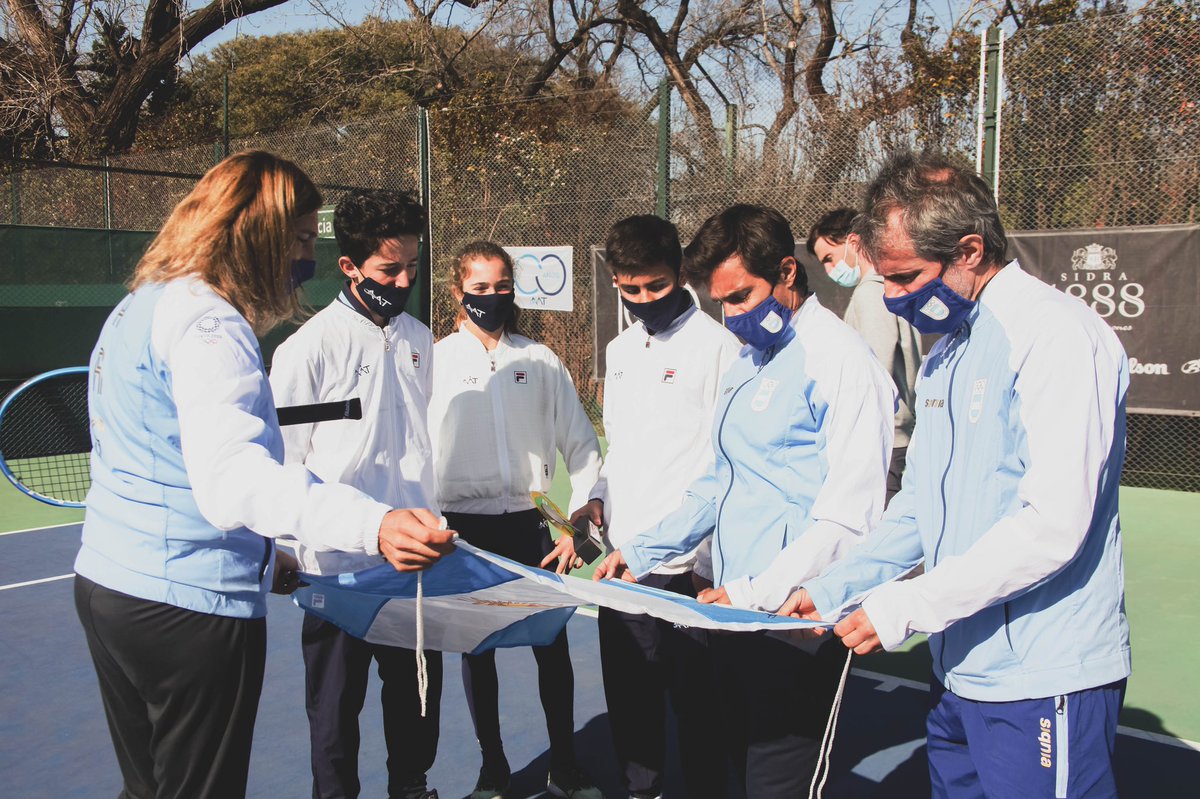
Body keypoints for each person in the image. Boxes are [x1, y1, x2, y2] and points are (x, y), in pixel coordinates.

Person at [74, 151, 455, 799]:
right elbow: (235, 477)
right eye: (301, 239)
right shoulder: (211, 323)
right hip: (187, 605)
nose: (304, 257)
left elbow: (163, 454)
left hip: (109, 587)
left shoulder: (140, 305)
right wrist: (376, 522)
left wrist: (262, 550)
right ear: (257, 233)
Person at [783, 151, 1130, 798]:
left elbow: (1055, 524)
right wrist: (835, 585)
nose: (891, 296)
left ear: (970, 250)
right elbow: (918, 503)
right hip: (960, 669)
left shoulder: (1056, 337)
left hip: (1042, 675)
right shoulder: (947, 353)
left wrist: (907, 604)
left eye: (907, 277)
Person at [594, 204, 896, 797]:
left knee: (776, 783)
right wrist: (642, 550)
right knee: (736, 765)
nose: (730, 318)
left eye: (741, 297)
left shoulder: (840, 361)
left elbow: (851, 515)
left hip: (793, 623)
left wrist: (758, 594)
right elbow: (718, 481)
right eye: (720, 302)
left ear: (787, 272)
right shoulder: (750, 357)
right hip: (734, 614)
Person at [269, 189, 442, 799]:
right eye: (389, 270)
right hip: (335, 571)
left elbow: (420, 447)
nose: (403, 280)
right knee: (336, 713)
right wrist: (288, 547)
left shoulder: (421, 340)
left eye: (412, 268)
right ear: (349, 267)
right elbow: (284, 460)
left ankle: (411, 788)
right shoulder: (306, 348)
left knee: (416, 704)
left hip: (411, 565)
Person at [428, 241, 604, 799]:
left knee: (551, 647)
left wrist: (581, 511)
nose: (493, 297)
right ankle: (493, 769)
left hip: (532, 525)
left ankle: (566, 766)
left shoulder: (541, 359)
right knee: (477, 653)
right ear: (457, 292)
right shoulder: (432, 361)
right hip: (463, 532)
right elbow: (411, 451)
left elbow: (581, 444)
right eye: (480, 288)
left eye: (502, 286)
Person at [573, 215, 740, 799]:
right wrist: (596, 497)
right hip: (624, 560)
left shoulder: (719, 347)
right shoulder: (619, 350)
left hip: (688, 565)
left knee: (698, 703)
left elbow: (727, 463)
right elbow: (619, 445)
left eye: (656, 286)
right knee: (630, 696)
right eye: (630, 289)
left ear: (680, 274)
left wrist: (704, 556)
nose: (643, 300)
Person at [808, 207, 923, 502]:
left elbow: (874, 374)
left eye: (829, 258)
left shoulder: (871, 293)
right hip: (894, 441)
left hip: (884, 445)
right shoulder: (888, 290)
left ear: (853, 243)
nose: (829, 270)